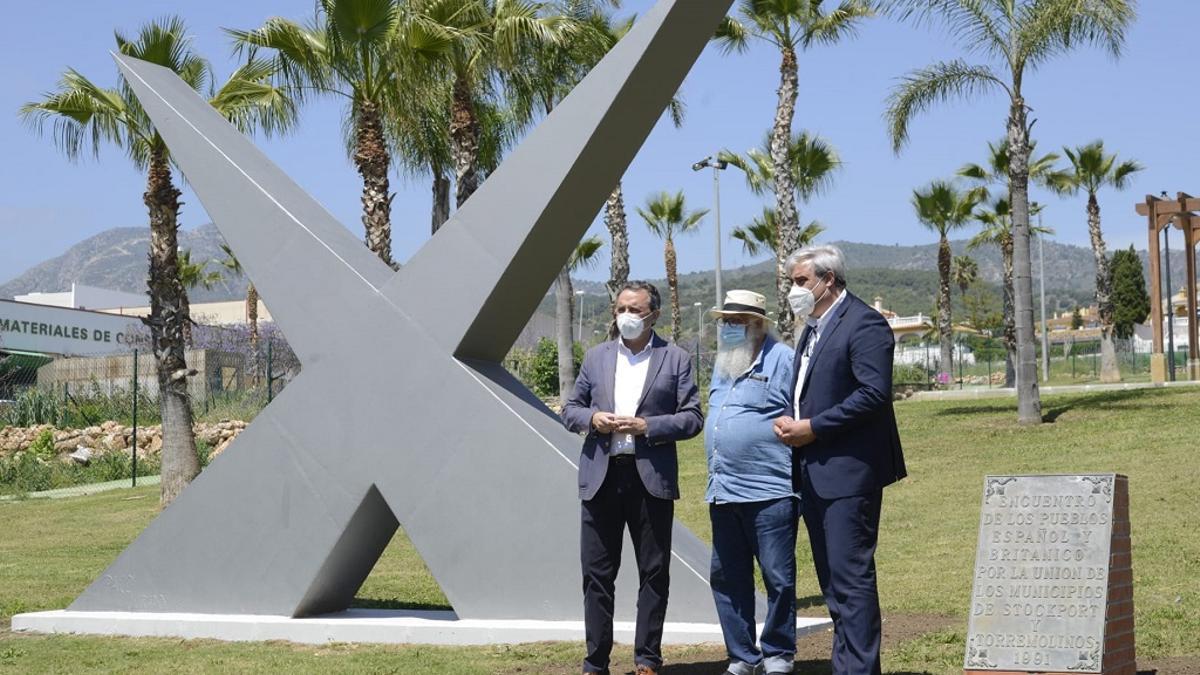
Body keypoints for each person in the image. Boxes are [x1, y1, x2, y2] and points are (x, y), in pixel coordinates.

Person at [773, 245, 907, 675]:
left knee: (851, 581)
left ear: (828, 280)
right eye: (792, 282)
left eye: (800, 282)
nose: (794, 290)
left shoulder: (863, 323)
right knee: (833, 584)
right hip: (813, 471)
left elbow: (872, 394)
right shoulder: (812, 328)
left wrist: (812, 427)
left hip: (848, 473)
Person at [561, 280, 704, 675]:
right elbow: (570, 409)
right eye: (621, 309)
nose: (626, 316)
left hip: (650, 478)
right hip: (602, 477)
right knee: (597, 575)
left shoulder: (675, 358)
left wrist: (648, 426)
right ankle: (595, 662)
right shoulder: (596, 358)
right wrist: (593, 418)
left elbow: (693, 417)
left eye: (635, 310)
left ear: (653, 315)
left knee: (654, 572)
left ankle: (647, 659)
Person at [704, 290, 799, 675]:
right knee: (727, 576)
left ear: (758, 325)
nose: (728, 328)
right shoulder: (723, 363)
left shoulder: (783, 359)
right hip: (723, 491)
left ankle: (778, 652)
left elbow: (799, 415)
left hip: (769, 490)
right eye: (724, 321)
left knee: (777, 575)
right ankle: (742, 655)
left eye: (736, 322)